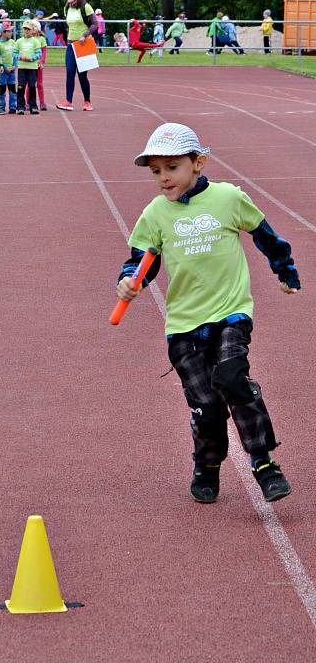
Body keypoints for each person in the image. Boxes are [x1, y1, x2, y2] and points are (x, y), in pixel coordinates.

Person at [115, 122, 300, 504]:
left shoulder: (228, 198)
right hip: (184, 324)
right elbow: (141, 261)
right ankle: (207, 463)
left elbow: (265, 234)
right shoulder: (155, 213)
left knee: (233, 377)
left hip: (231, 311)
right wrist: (130, 281)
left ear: (197, 162)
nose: (163, 178)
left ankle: (264, 461)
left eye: (172, 167)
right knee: (208, 406)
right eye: (156, 171)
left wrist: (285, 270)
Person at [56, 0, 98, 112]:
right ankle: (68, 101)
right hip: (71, 44)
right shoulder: (67, 8)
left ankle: (87, 101)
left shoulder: (86, 7)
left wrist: (85, 35)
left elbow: (95, 24)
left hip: (83, 44)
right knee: (69, 72)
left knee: (82, 75)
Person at [14, 19, 41, 114]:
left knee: (32, 86)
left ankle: (33, 106)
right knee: (21, 87)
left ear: (32, 30)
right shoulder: (18, 41)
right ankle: (20, 106)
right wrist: (20, 57)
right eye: (25, 29)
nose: (26, 31)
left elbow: (39, 54)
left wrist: (30, 58)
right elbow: (14, 53)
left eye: (28, 29)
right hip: (22, 68)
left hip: (32, 68)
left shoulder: (35, 41)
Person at [0, 19, 18, 113]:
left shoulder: (13, 42)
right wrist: (4, 67)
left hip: (12, 70)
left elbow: (15, 55)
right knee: (2, 90)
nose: (11, 33)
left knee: (12, 89)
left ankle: (13, 107)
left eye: (11, 31)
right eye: (9, 31)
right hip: (3, 71)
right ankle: (1, 106)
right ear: (3, 32)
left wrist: (14, 65)